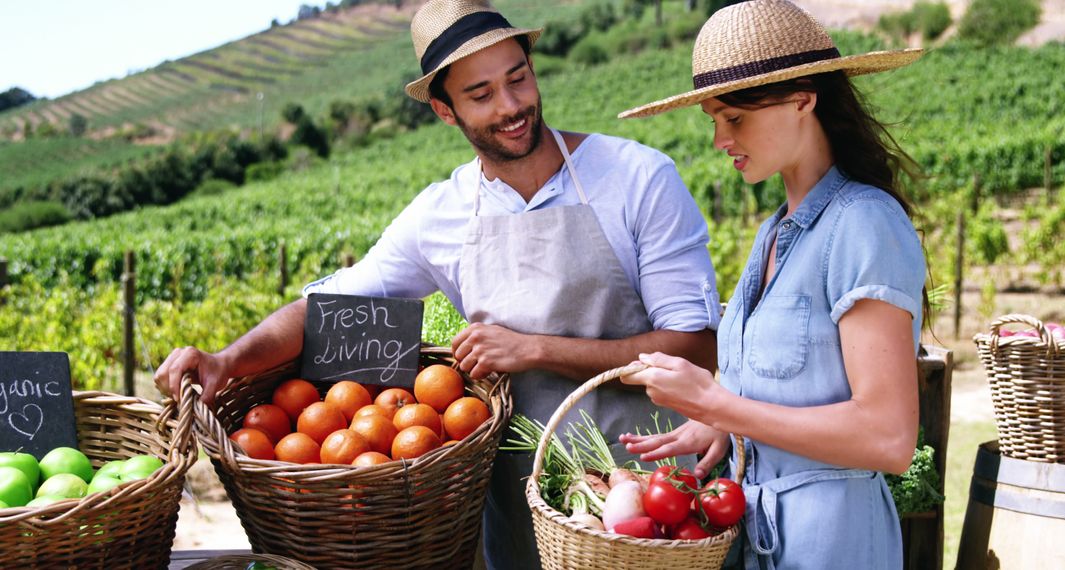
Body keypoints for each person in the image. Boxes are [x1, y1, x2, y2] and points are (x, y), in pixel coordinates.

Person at [155, 1, 720, 568]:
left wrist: (534, 350)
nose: (511, 105)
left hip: (649, 494)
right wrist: (226, 360)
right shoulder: (441, 214)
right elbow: (329, 305)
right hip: (522, 498)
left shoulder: (638, 178)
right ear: (446, 112)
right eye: (480, 95)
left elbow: (696, 348)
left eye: (518, 79)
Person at [615, 1, 927, 569]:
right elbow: (783, 398)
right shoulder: (773, 234)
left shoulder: (864, 223)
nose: (719, 140)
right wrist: (715, 424)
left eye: (734, 118)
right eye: (713, 120)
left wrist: (721, 404)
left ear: (803, 97)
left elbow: (888, 437)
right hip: (760, 540)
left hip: (833, 547)